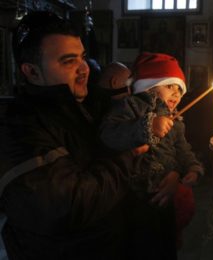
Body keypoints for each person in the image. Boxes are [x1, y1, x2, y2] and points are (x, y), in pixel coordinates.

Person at [0, 11, 176, 260]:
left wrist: (171, 171)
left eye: (83, 57)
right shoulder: (20, 129)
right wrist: (130, 158)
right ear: (31, 71)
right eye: (68, 61)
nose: (84, 69)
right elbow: (70, 206)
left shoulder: (91, 103)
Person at [99, 52, 204, 248]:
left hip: (164, 197)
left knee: (164, 243)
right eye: (169, 86)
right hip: (133, 196)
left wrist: (192, 168)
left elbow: (183, 150)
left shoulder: (176, 120)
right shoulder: (131, 106)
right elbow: (109, 134)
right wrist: (147, 127)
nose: (176, 93)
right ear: (149, 86)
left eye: (179, 89)